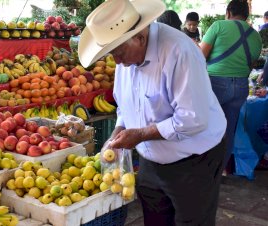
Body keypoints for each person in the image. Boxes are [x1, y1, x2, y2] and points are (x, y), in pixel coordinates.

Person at [78, 0, 226, 225]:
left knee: (193, 220)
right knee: (155, 219)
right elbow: (125, 105)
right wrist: (118, 132)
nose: (117, 62)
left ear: (140, 37)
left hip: (194, 159)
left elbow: (193, 119)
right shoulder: (125, 57)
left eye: (118, 53)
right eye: (110, 55)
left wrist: (140, 135)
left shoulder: (179, 51)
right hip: (151, 156)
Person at [200, 0, 262, 175]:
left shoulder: (219, 26)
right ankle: (218, 172)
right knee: (228, 131)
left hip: (215, 84)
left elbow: (199, 57)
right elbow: (250, 67)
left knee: (205, 127)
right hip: (241, 87)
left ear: (228, 12)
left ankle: (202, 171)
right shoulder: (256, 36)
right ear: (246, 15)